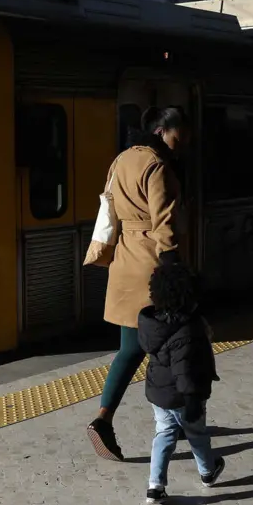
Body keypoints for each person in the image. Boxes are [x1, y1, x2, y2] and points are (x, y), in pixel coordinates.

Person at [86, 106, 187, 461]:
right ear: (161, 131)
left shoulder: (122, 160)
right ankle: (177, 419)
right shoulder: (157, 165)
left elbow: (110, 208)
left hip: (124, 261)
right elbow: (164, 223)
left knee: (131, 348)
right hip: (152, 267)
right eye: (178, 134)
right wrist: (174, 272)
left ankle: (104, 418)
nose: (182, 142)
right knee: (172, 347)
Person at [137, 261, 223, 503]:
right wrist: (192, 400)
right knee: (196, 433)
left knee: (164, 434)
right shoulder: (188, 331)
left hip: (158, 392)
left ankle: (155, 485)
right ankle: (208, 472)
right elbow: (185, 370)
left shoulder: (153, 323)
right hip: (184, 396)